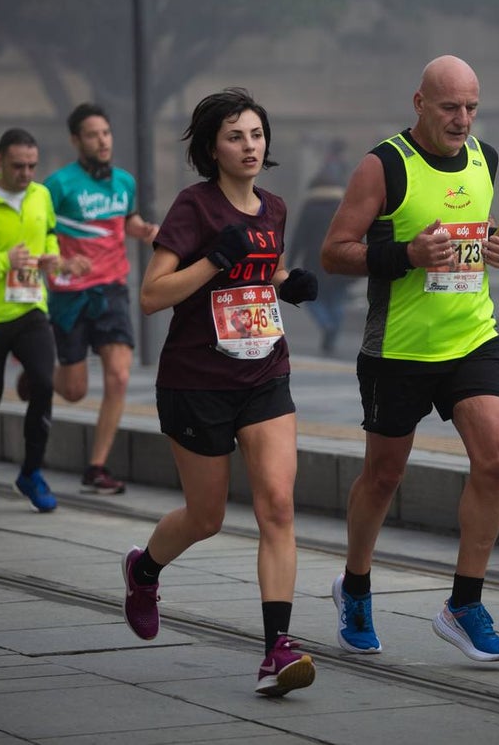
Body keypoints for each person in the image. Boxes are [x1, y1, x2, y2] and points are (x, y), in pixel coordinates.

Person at [320, 55, 499, 663]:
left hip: (472, 337)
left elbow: (474, 240)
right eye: (450, 107)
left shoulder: (485, 158)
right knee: (384, 476)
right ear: (420, 103)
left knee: (497, 461)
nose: (463, 119)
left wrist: (495, 248)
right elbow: (334, 252)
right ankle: (355, 587)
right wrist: (407, 254)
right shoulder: (383, 165)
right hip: (398, 349)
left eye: (472, 107)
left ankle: (465, 604)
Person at [123, 88, 319, 697]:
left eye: (256, 134)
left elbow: (260, 270)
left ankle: (277, 649)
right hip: (197, 381)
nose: (249, 146)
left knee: (277, 506)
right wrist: (212, 259)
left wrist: (286, 283)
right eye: (235, 137)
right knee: (206, 516)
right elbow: (151, 296)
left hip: (264, 373)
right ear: (213, 149)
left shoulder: (275, 208)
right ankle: (144, 569)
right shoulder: (194, 207)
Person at [0, 128, 74, 513]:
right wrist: (2, 261)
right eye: (18, 166)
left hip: (31, 308)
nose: (26, 173)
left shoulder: (41, 195)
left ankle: (31, 472)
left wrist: (52, 256)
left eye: (32, 166)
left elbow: (50, 233)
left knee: (43, 383)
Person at [44, 103, 159, 494]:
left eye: (106, 133)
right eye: (93, 135)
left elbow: (127, 221)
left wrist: (144, 231)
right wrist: (60, 261)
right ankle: (39, 374)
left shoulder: (124, 182)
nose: (102, 141)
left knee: (119, 375)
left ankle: (97, 466)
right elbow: (40, 233)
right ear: (76, 140)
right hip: (70, 293)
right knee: (74, 391)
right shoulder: (57, 185)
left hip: (112, 288)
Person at [287, 139, 353, 355]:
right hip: (341, 260)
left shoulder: (310, 207)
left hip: (314, 261)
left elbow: (299, 236)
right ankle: (333, 328)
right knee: (337, 298)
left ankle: (327, 324)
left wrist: (290, 262)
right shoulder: (342, 206)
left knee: (312, 298)